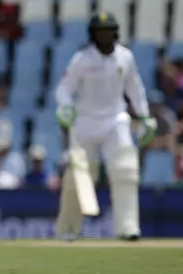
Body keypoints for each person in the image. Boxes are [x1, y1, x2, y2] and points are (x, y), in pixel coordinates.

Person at [54, 12, 156, 242]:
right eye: (100, 31)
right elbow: (64, 89)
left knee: (126, 169)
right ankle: (69, 227)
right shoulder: (82, 59)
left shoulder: (125, 57)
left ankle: (128, 226)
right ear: (93, 34)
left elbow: (135, 89)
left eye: (108, 31)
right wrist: (65, 107)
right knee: (78, 175)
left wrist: (145, 116)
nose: (104, 35)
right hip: (85, 122)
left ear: (115, 32)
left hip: (115, 120)